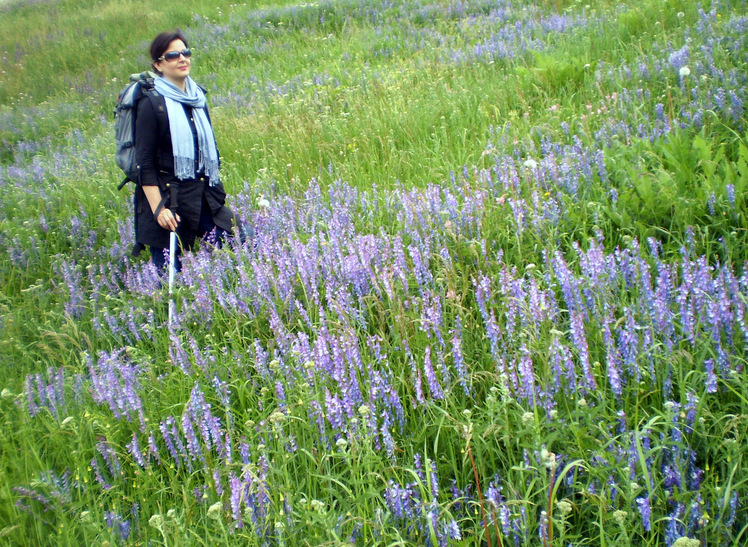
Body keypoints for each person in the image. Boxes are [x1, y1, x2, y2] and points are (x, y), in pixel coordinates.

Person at [133, 30, 236, 271]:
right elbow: (144, 164)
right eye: (172, 55)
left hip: (203, 198)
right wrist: (159, 209)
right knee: (167, 276)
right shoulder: (151, 104)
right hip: (170, 202)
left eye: (185, 52)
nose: (182, 58)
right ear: (158, 65)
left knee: (244, 244)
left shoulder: (198, 98)